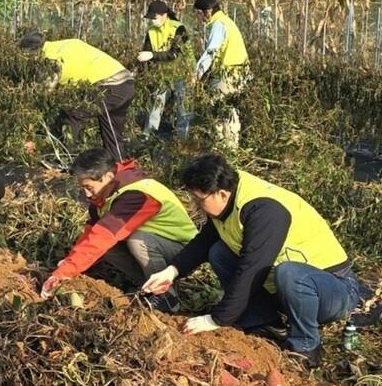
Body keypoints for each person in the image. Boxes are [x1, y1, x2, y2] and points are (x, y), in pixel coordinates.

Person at [142, 153, 361, 368]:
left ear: (221, 193)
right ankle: (264, 322)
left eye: (199, 200)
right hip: (287, 291)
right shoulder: (227, 203)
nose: (196, 206)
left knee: (289, 273)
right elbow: (204, 241)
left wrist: (216, 319)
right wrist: (171, 271)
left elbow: (251, 270)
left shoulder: (264, 211)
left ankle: (305, 347)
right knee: (218, 251)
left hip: (334, 290)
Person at [39, 148, 196, 298]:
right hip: (160, 246)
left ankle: (166, 296)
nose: (86, 194)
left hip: (186, 252)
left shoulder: (136, 195)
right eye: (83, 188)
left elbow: (101, 238)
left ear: (107, 177)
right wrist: (69, 262)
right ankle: (147, 286)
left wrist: (64, 273)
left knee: (138, 241)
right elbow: (92, 233)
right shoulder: (105, 195)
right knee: (110, 246)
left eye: (88, 187)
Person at [17, 31, 134, 162]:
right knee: (112, 133)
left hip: (109, 86)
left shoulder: (50, 60)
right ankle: (120, 166)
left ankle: (67, 158)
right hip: (126, 83)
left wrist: (29, 136)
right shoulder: (64, 44)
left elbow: (42, 98)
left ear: (33, 52)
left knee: (71, 113)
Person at [192, 0, 249, 148]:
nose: (199, 18)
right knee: (229, 111)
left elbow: (211, 51)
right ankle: (231, 147)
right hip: (238, 74)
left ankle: (223, 148)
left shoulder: (218, 25)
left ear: (208, 11)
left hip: (228, 74)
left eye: (199, 13)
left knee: (218, 111)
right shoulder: (227, 22)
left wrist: (196, 74)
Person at [135, 0, 190, 136]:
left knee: (183, 111)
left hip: (181, 75)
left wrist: (151, 55)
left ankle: (182, 141)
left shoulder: (178, 28)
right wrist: (139, 71)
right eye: (151, 18)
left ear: (164, 15)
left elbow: (174, 53)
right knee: (155, 109)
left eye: (155, 18)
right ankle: (148, 137)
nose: (153, 21)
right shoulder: (151, 32)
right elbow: (146, 53)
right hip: (161, 77)